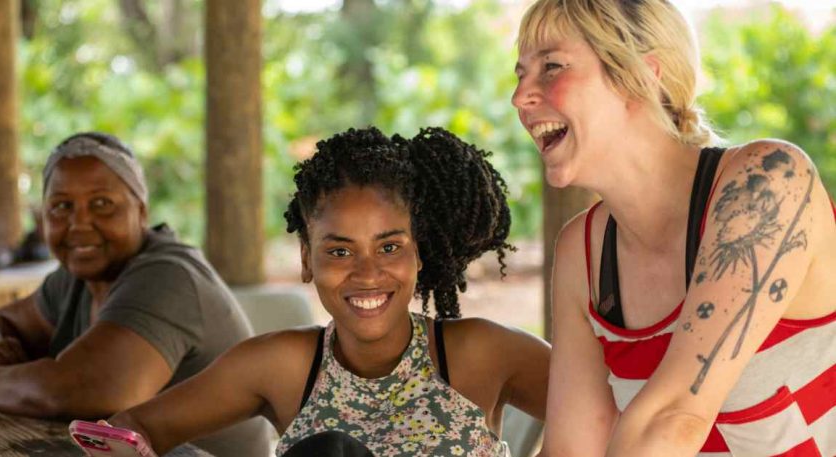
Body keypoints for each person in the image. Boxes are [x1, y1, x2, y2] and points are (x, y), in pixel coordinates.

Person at [511, 1, 836, 456]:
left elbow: (676, 417)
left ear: (644, 77)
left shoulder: (767, 183)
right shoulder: (582, 254)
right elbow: (571, 450)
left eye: (552, 67)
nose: (520, 96)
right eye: (520, 74)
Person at [103, 126, 551, 456]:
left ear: (420, 253)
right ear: (305, 258)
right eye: (339, 252)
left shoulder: (481, 353)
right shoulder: (280, 367)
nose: (367, 273)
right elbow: (134, 430)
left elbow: (611, 412)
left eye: (389, 247)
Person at [0, 132, 273, 457]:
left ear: (141, 212)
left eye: (102, 204)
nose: (79, 224)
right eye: (61, 207)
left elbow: (78, 389)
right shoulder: (75, 277)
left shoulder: (168, 276)